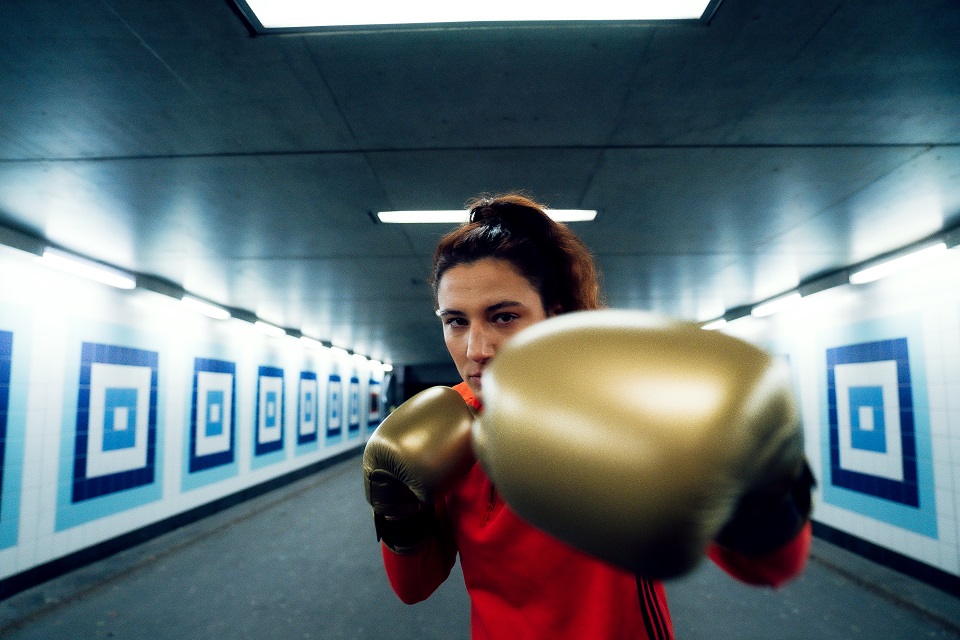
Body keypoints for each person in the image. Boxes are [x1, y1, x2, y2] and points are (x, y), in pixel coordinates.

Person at [363, 193, 814, 640]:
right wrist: (401, 512)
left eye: (503, 317)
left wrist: (763, 481)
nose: (476, 349)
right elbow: (413, 588)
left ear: (553, 314)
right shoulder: (445, 428)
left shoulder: (618, 401)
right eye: (456, 321)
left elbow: (770, 567)